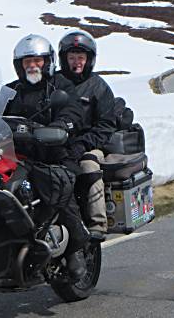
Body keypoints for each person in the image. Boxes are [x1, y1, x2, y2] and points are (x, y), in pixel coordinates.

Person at [4, 34, 90, 280]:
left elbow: (73, 110)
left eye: (37, 61)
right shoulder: (11, 91)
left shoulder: (61, 86)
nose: (32, 66)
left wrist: (62, 125)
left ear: (47, 62)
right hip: (17, 157)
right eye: (27, 61)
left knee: (58, 187)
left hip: (55, 155)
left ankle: (76, 247)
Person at [58, 30, 117, 241]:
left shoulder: (98, 87)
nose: (76, 62)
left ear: (89, 59)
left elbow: (106, 125)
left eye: (80, 57)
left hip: (92, 144)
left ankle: (97, 224)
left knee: (88, 165)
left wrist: (83, 144)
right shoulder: (55, 82)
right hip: (59, 143)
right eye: (72, 57)